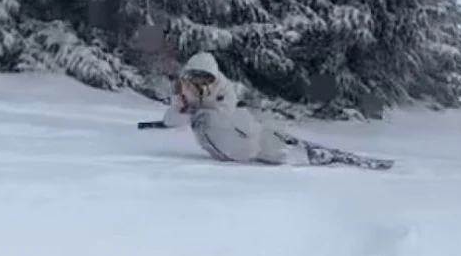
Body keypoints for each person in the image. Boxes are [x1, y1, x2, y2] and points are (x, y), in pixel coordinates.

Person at [159, 52, 393, 170]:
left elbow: (223, 116)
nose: (198, 82)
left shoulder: (223, 89)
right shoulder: (184, 91)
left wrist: (195, 108)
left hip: (253, 133)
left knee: (290, 152)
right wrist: (180, 107)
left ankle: (341, 158)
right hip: (244, 141)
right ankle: (325, 156)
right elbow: (170, 121)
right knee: (284, 153)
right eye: (194, 77)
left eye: (203, 77)